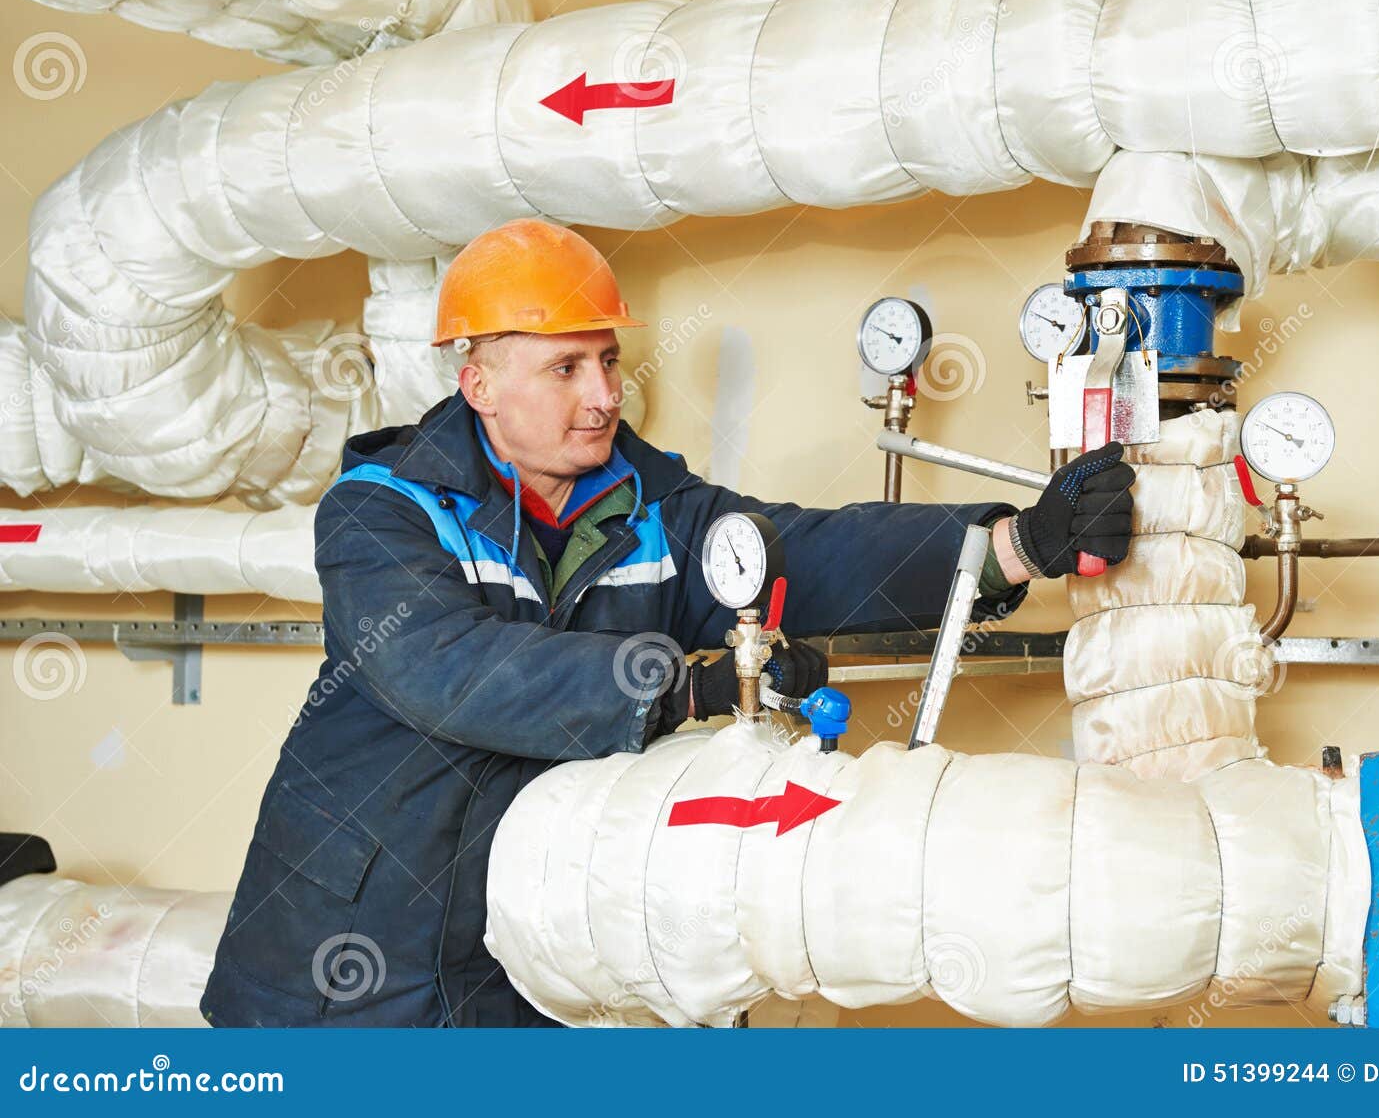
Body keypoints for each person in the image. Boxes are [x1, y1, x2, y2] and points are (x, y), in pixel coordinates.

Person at [200, 219, 1134, 1026]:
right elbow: (443, 664)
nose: (604, 395)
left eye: (606, 360)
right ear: (477, 380)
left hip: (522, 950)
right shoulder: (382, 509)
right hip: (340, 954)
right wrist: (676, 686)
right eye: (564, 367)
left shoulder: (652, 507)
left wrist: (1012, 544)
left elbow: (809, 553)